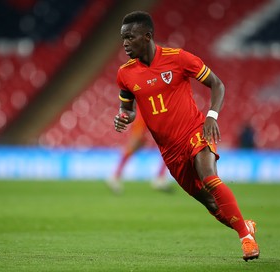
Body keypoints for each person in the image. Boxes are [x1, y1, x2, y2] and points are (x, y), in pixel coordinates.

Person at [113, 11, 259, 261]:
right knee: (211, 204)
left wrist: (212, 115)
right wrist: (124, 117)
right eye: (122, 38)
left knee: (210, 178)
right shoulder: (124, 74)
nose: (125, 43)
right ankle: (245, 228)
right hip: (169, 152)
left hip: (195, 132)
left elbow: (217, 84)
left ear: (147, 36)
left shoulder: (178, 59)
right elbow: (127, 109)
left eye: (130, 37)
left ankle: (246, 241)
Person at [108, 107, 172, 194]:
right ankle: (115, 176)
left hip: (159, 113)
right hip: (145, 113)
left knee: (169, 142)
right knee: (136, 143)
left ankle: (160, 177)